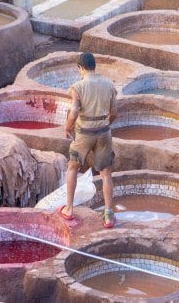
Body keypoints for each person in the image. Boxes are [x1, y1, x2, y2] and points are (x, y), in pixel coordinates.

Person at [58, 52, 117, 228]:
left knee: (73, 166)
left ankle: (68, 209)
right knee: (106, 173)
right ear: (94, 66)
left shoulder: (78, 87)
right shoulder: (109, 85)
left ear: (80, 68)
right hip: (104, 132)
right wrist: (105, 125)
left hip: (84, 132)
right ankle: (108, 215)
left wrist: (67, 127)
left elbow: (74, 112)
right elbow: (114, 113)